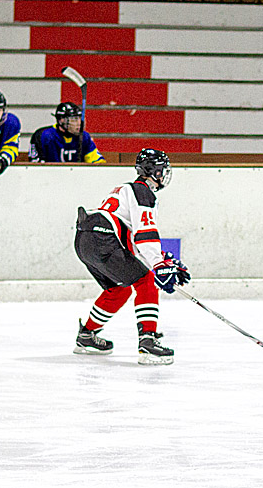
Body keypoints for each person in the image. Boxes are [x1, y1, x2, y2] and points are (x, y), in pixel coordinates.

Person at [73, 148, 190, 365]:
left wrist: (163, 260)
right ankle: (148, 340)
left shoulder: (124, 190)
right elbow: (145, 234)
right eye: (163, 170)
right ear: (154, 172)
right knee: (146, 281)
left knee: (118, 289)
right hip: (102, 239)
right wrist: (158, 265)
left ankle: (87, 335)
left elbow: (130, 241)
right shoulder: (143, 191)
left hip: (85, 239)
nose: (165, 174)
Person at [28, 102, 104, 164]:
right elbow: (36, 166)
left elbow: (97, 162)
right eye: (73, 120)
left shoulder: (84, 137)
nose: (78, 123)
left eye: (79, 119)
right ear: (61, 120)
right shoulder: (43, 136)